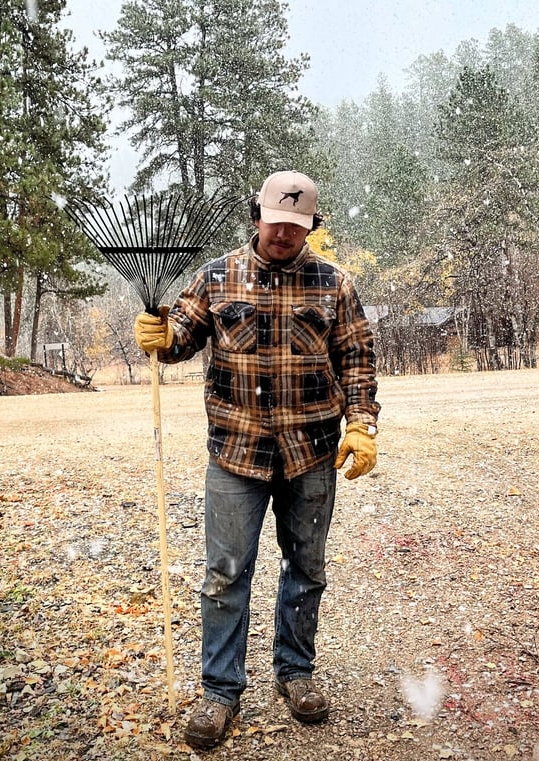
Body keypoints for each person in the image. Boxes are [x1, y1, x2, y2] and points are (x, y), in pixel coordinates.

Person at [134, 170, 380, 750]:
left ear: (310, 227)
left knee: (306, 570)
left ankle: (295, 673)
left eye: (296, 225)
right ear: (257, 216)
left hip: (310, 453)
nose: (283, 234)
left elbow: (357, 359)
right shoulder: (216, 277)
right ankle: (220, 692)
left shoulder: (335, 285)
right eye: (275, 222)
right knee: (224, 576)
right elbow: (180, 340)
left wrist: (362, 424)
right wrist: (161, 336)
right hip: (235, 454)